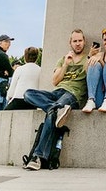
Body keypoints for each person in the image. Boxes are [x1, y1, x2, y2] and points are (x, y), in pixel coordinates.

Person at [22, 29, 89, 170]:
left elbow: (90, 75)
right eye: (75, 41)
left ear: (84, 42)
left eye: (80, 41)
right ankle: (54, 108)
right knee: (28, 94)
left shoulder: (87, 58)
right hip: (57, 92)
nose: (77, 44)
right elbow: (55, 81)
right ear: (70, 43)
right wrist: (65, 64)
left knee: (53, 112)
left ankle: (37, 157)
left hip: (73, 95)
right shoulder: (62, 59)